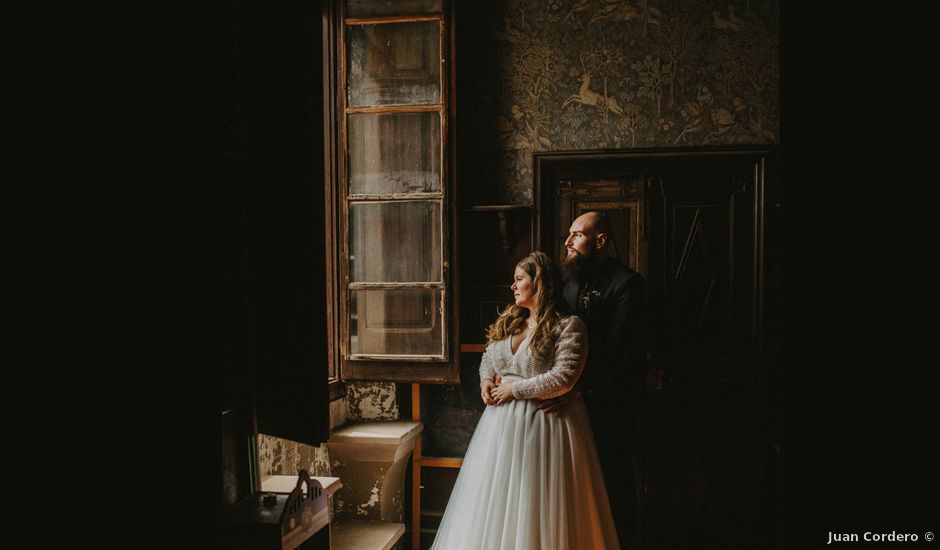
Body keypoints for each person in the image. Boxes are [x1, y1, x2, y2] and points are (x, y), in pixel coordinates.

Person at [430, 251, 619, 550]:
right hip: (499, 429)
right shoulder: (511, 321)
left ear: (539, 282)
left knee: (539, 500)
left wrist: (513, 390)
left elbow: (563, 378)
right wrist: (485, 382)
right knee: (498, 500)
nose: (513, 286)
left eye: (519, 279)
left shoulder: (569, 326)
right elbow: (488, 359)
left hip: (548, 427)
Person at [557, 210, 647, 547]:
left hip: (608, 404)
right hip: (563, 402)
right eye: (568, 234)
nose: (567, 241)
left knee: (611, 481)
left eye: (577, 235)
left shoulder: (627, 283)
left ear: (601, 241)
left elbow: (619, 349)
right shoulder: (564, 281)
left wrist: (577, 387)